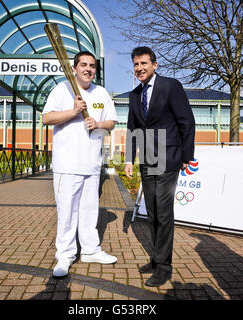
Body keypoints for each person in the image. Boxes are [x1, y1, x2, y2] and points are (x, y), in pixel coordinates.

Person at [42, 51, 118, 278]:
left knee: (88, 211)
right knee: (67, 212)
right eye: (83, 65)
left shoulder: (101, 93)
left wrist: (98, 123)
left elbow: (112, 123)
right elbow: (46, 118)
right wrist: (73, 111)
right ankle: (65, 254)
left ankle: (90, 250)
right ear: (74, 68)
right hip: (67, 164)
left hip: (92, 163)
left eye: (92, 66)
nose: (88, 69)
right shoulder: (61, 89)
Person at [125, 47, 195, 287]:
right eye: (136, 64)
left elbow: (186, 120)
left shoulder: (170, 86)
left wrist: (187, 155)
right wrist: (128, 160)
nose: (139, 68)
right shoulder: (135, 94)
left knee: (164, 213)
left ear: (154, 64)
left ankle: (164, 267)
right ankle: (156, 259)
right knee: (152, 212)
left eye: (144, 63)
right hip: (147, 160)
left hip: (168, 157)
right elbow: (132, 129)